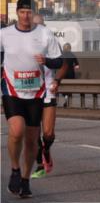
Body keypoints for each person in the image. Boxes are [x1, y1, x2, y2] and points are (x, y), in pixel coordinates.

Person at [1, 0, 62, 198]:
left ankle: (26, 180)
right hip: (12, 91)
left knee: (31, 140)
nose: (25, 16)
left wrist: (46, 60)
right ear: (16, 13)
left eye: (29, 12)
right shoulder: (5, 34)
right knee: (16, 130)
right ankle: (15, 170)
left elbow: (58, 61)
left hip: (36, 92)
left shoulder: (44, 34)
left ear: (33, 13)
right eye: (22, 12)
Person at [30, 14, 69, 179]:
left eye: (41, 26)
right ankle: (39, 164)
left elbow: (64, 64)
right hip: (29, 91)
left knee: (48, 133)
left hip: (47, 90)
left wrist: (57, 81)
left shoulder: (51, 42)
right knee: (33, 133)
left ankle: (46, 150)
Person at [58, 43, 79, 108]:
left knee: (62, 87)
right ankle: (68, 100)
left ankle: (65, 96)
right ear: (70, 48)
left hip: (63, 74)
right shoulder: (72, 55)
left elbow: (58, 64)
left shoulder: (61, 55)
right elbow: (77, 66)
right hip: (71, 74)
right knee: (70, 87)